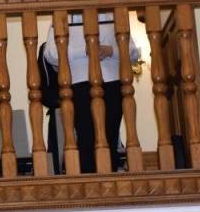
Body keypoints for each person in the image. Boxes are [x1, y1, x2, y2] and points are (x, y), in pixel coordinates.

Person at [42, 11, 139, 173]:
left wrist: (111, 51)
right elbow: (50, 54)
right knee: (86, 139)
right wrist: (84, 50)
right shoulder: (62, 16)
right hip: (79, 84)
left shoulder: (113, 14)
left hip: (112, 83)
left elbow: (134, 52)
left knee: (110, 137)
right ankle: (89, 181)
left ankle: (109, 180)